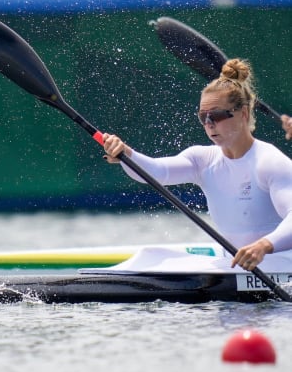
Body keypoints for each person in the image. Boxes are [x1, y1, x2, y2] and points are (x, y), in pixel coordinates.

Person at [100, 58, 292, 272]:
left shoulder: (269, 162)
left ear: (244, 114)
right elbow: (156, 172)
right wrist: (127, 154)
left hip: (279, 261)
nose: (209, 124)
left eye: (217, 115)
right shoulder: (203, 160)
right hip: (234, 262)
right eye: (203, 117)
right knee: (152, 255)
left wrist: (264, 246)